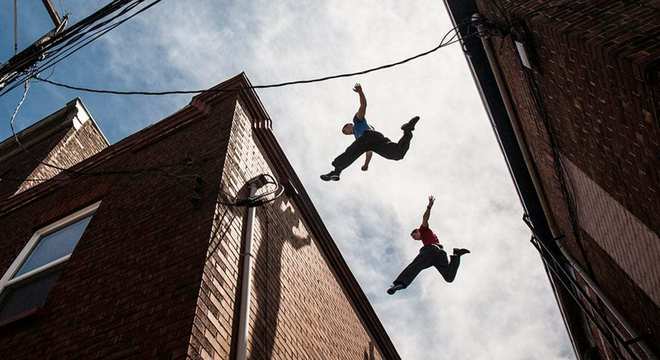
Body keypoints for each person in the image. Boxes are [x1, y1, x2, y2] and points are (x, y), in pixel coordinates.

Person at [320, 83, 420, 181]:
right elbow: (369, 153)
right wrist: (366, 164)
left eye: (345, 130)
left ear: (349, 125)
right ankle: (407, 130)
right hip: (376, 142)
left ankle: (336, 171)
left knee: (351, 151)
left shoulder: (357, 121)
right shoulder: (358, 139)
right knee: (397, 154)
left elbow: (363, 105)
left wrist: (360, 92)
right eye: (345, 133)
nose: (346, 133)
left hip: (369, 136)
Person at [387, 195, 470, 295]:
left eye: (414, 236)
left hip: (430, 250)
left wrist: (429, 206)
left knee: (415, 265)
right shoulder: (428, 236)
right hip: (440, 254)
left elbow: (425, 218)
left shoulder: (423, 229)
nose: (415, 239)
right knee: (449, 278)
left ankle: (399, 284)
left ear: (417, 231)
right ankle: (456, 255)